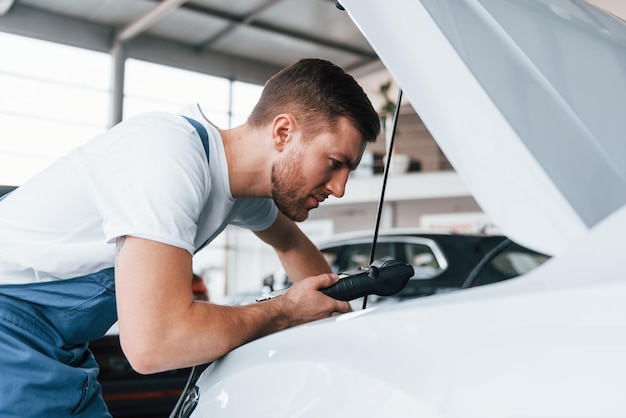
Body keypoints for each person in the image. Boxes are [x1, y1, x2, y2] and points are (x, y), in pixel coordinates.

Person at [0, 58, 380, 417]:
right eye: (335, 163)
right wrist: (287, 311)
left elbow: (291, 243)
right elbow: (155, 343)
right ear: (283, 132)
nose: (341, 188)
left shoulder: (233, 190)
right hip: (10, 332)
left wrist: (336, 322)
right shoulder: (169, 158)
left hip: (55, 347)